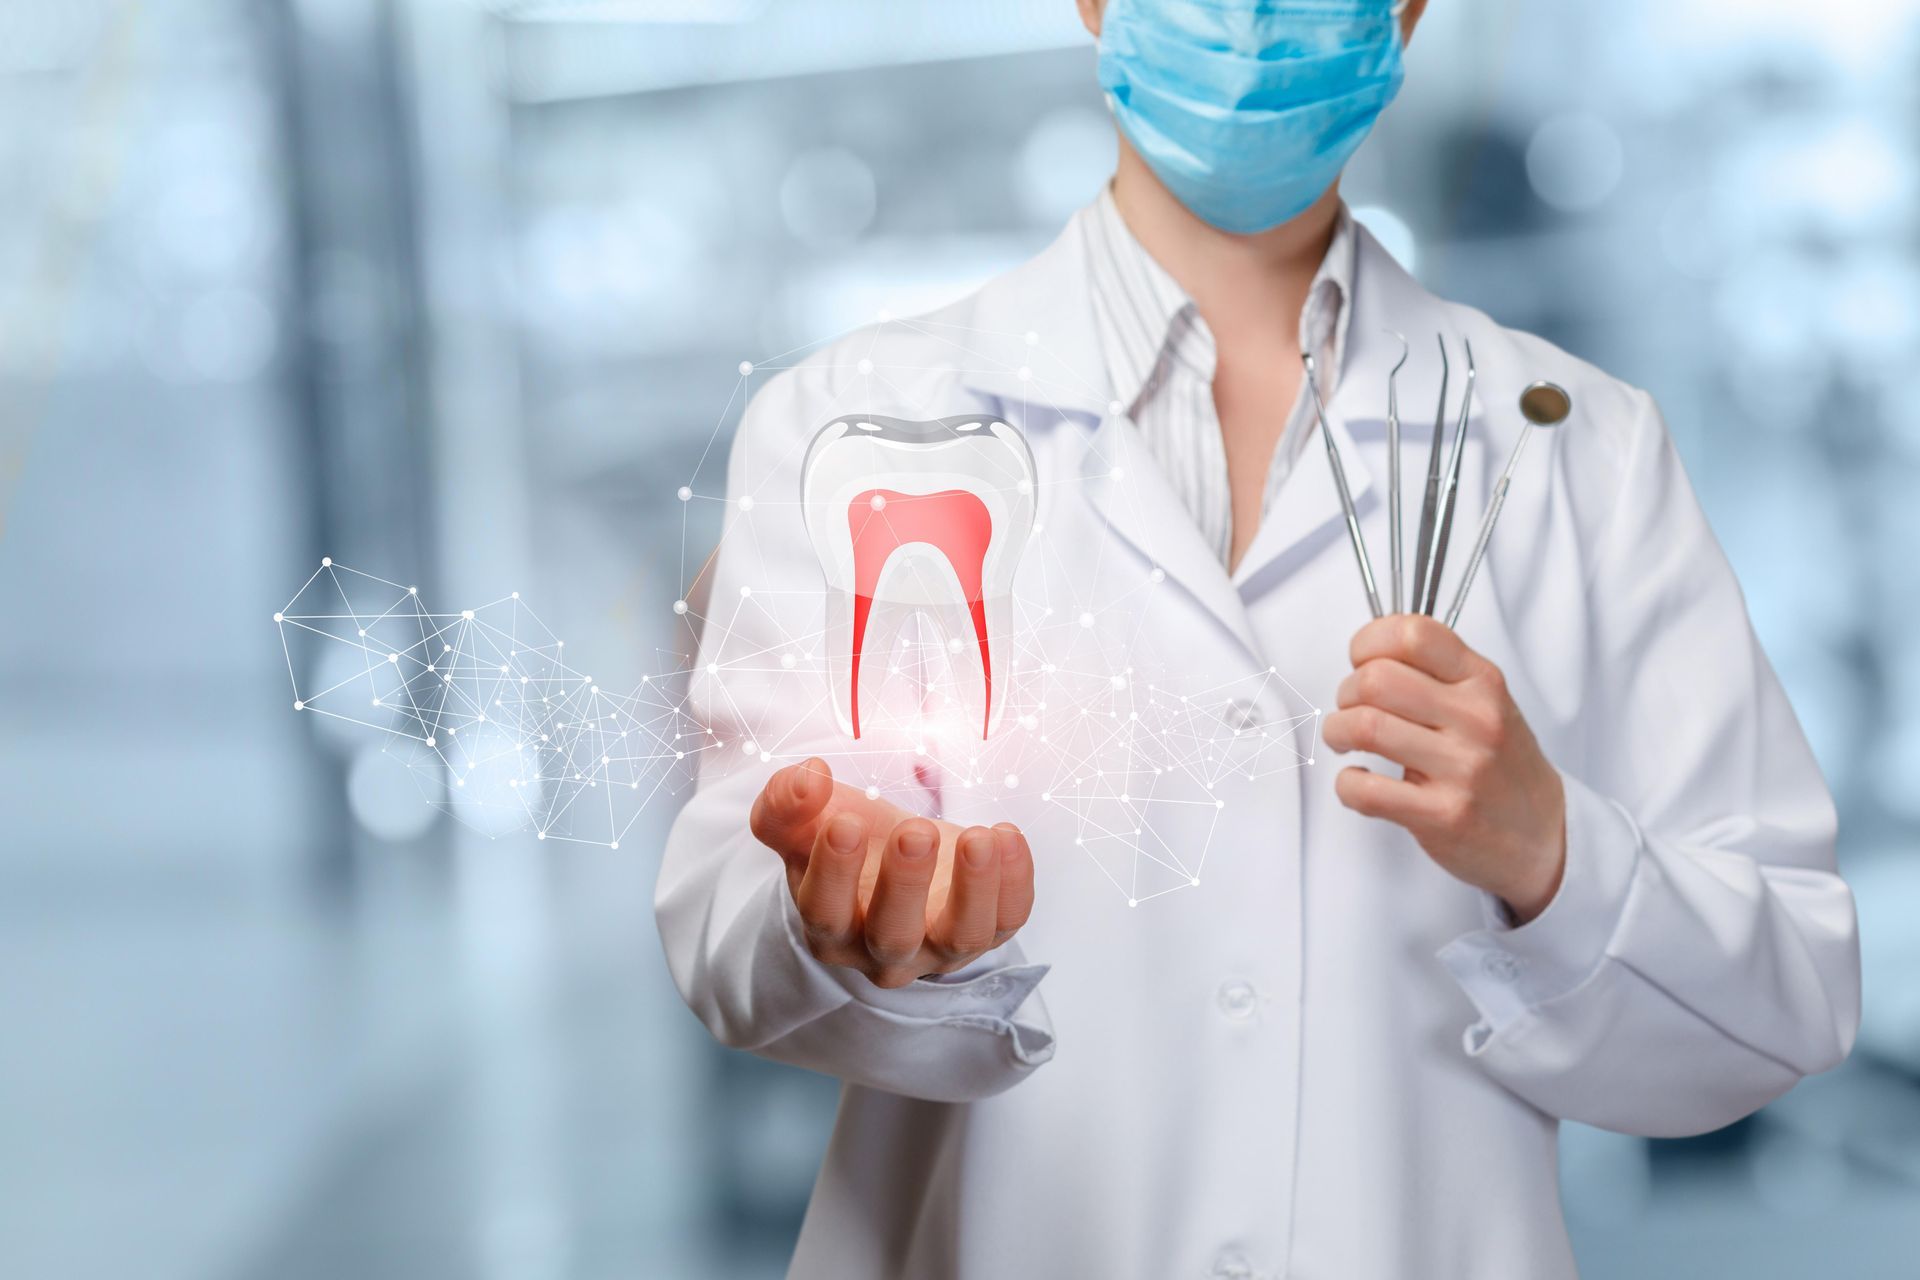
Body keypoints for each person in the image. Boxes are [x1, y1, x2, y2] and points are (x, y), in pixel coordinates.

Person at [656, 1, 1861, 1276]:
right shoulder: (854, 422)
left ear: (1404, 8)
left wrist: (1553, 852)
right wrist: (842, 924)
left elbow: (1789, 994)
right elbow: (725, 928)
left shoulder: (1579, 449)